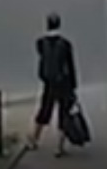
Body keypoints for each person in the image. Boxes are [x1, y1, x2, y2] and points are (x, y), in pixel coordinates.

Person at [27, 13, 78, 156]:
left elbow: (42, 61)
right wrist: (73, 85)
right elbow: (70, 66)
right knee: (63, 114)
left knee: (44, 111)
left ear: (47, 24)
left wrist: (43, 77)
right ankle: (59, 148)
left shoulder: (40, 43)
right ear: (59, 24)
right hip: (64, 84)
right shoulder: (66, 44)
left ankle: (34, 140)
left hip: (48, 83)